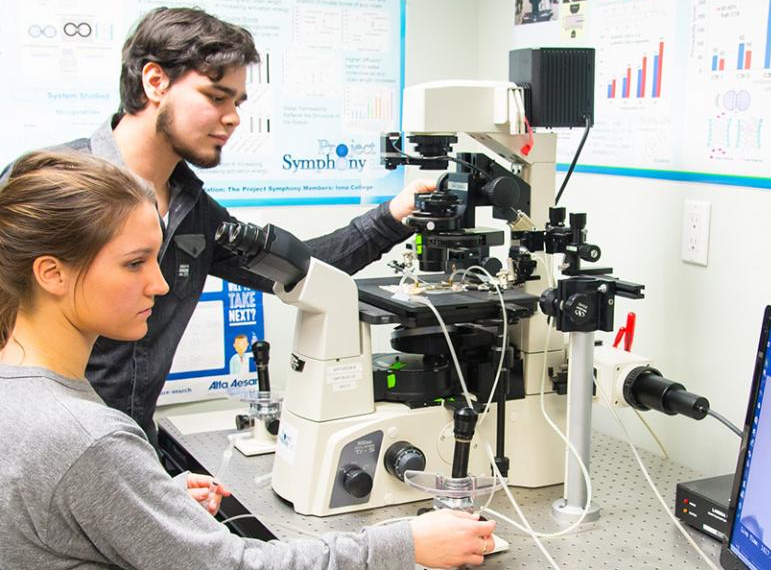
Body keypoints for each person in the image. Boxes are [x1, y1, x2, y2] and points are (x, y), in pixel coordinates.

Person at [0, 150, 495, 570]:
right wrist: (407, 543)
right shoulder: (87, 438)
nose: (161, 283)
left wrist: (147, 502)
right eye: (134, 263)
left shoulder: (26, 394)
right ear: (52, 273)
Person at [1, 7, 434, 447]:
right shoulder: (44, 186)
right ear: (155, 82)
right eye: (215, 96)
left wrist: (393, 215)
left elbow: (298, 268)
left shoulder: (194, 210)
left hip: (131, 450)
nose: (233, 118)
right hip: (42, 449)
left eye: (237, 102)